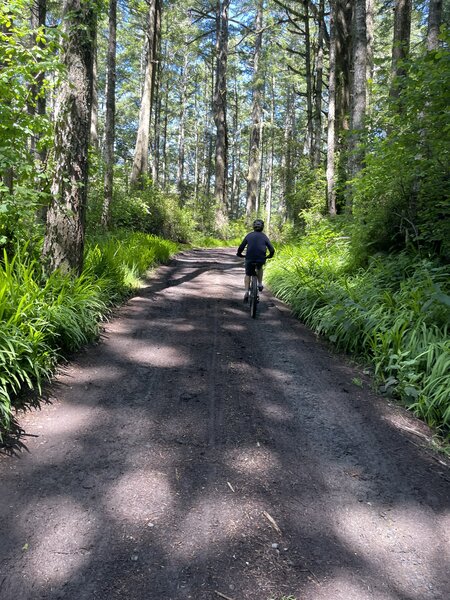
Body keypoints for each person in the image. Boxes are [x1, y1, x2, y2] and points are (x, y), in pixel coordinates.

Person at [236, 219, 275, 303]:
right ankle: (260, 284)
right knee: (260, 267)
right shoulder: (264, 237)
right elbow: (272, 250)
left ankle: (246, 292)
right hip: (261, 258)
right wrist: (269, 256)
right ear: (262, 227)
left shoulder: (249, 235)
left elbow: (241, 247)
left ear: (253, 227)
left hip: (249, 258)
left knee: (248, 274)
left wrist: (239, 254)